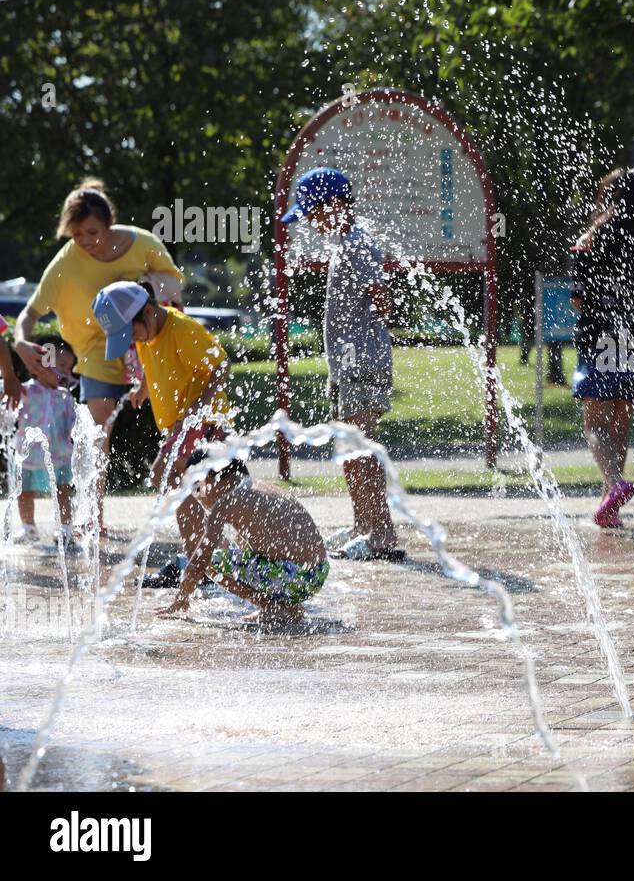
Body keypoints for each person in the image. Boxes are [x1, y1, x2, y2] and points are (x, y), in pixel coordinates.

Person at [12, 180, 183, 536]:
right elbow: (29, 314)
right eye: (76, 235)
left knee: (174, 422)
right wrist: (21, 343)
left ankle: (195, 509)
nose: (86, 242)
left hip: (149, 345)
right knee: (95, 432)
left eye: (92, 232)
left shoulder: (143, 244)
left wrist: (137, 287)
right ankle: (94, 517)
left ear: (109, 223)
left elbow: (175, 288)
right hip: (96, 351)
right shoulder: (67, 263)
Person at [280, 167, 404, 560]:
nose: (312, 224)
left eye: (313, 213)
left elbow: (380, 297)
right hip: (349, 365)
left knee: (359, 447)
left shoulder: (357, 244)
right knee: (349, 449)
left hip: (362, 363)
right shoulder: (347, 243)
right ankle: (362, 525)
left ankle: (381, 534)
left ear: (333, 205)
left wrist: (378, 329)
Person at [92, 281, 231, 587]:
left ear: (147, 312)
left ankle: (202, 559)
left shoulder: (181, 330)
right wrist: (142, 388)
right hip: (180, 424)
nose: (131, 340)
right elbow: (148, 362)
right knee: (192, 490)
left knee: (165, 476)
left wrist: (199, 408)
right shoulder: (147, 334)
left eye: (130, 332)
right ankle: (206, 557)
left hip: (203, 422)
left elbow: (222, 367)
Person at [569, 167, 634, 528]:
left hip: (598, 339)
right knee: (620, 419)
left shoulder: (592, 237)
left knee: (595, 421)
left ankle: (614, 484)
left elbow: (578, 299)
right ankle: (607, 503)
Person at [155, 449, 328, 625]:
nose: (197, 496)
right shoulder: (258, 487)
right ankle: (292, 609)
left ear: (211, 479)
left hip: (297, 577)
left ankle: (272, 608)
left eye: (196, 487)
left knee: (210, 562)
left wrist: (181, 598)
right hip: (317, 573)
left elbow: (200, 559)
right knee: (244, 552)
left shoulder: (226, 502)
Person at [11, 336, 79, 544]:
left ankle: (65, 529)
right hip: (29, 455)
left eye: (70, 368)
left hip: (59, 454)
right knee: (24, 492)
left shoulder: (65, 397)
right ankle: (28, 527)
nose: (67, 372)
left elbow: (74, 425)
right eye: (63, 365)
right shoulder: (26, 390)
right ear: (43, 363)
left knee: (63, 491)